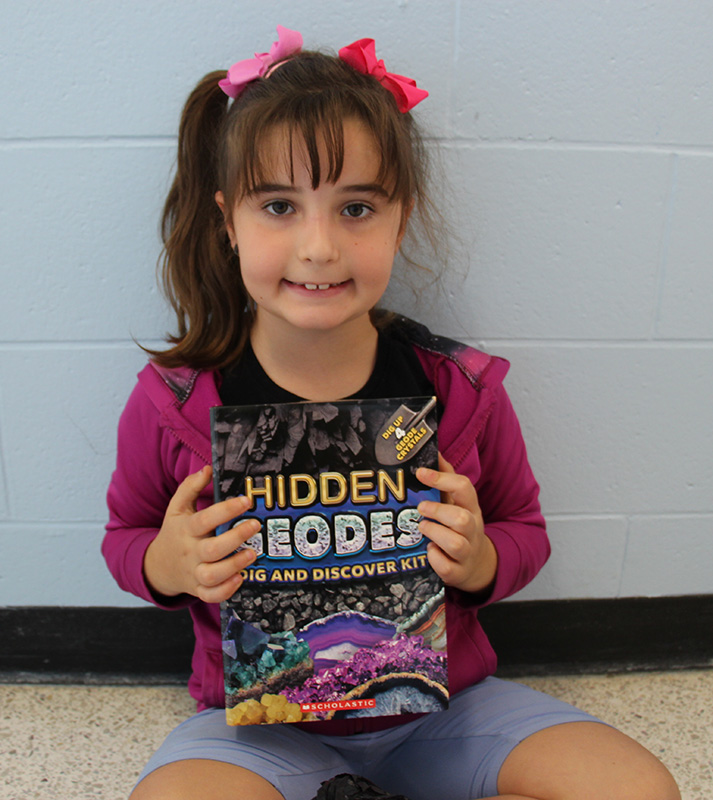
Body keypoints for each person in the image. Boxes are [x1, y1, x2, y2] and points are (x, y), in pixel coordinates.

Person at [103, 26, 680, 800]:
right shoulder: (177, 400)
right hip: (261, 723)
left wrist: (481, 561)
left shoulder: (459, 390)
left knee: (634, 789)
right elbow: (125, 535)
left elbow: (523, 531)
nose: (318, 246)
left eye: (356, 208)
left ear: (400, 218)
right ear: (225, 221)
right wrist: (164, 565)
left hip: (442, 710)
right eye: (278, 205)